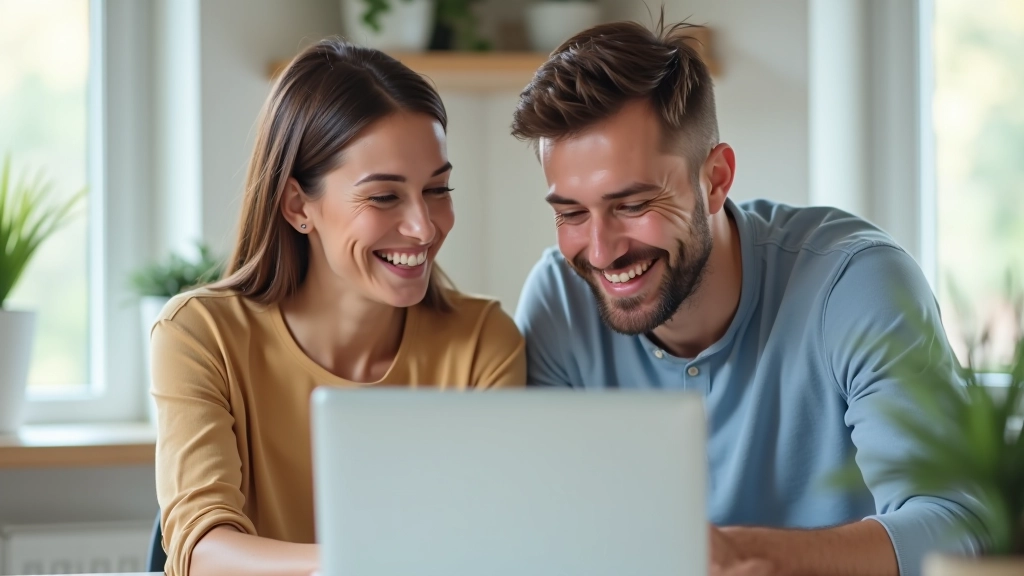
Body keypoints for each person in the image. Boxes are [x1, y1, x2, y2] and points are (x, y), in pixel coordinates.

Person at [511, 17, 987, 576]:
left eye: (633, 205)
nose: (600, 250)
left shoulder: (855, 284)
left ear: (715, 179)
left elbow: (958, 526)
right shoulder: (558, 302)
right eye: (569, 213)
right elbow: (539, 530)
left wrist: (745, 557)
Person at [151, 38, 526, 576]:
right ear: (298, 205)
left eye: (438, 189)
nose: (424, 227)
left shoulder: (484, 343)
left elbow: (493, 542)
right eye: (383, 196)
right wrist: (366, 564)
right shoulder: (200, 334)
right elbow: (202, 549)